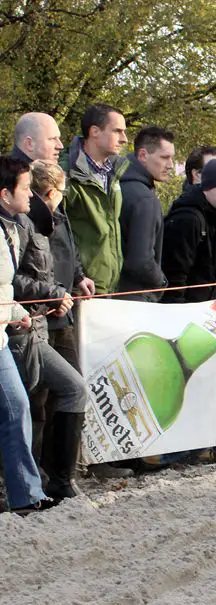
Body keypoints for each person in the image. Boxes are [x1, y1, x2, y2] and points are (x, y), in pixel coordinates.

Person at [12, 161, 89, 501]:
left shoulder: (43, 221)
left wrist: (59, 289)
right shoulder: (22, 223)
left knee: (59, 393)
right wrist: (53, 293)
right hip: (21, 330)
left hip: (38, 322)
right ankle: (41, 483)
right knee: (34, 404)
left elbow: (45, 270)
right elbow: (13, 280)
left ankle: (54, 480)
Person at [0, 155, 54, 513]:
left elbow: (4, 288)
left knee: (16, 406)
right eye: (24, 189)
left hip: (0, 338)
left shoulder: (14, 228)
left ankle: (26, 495)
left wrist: (17, 313)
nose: (32, 196)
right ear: (5, 194)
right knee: (15, 407)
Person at [63, 103, 130, 295]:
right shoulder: (66, 174)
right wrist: (78, 276)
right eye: (117, 131)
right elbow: (56, 234)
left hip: (109, 287)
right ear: (94, 131)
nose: (124, 139)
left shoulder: (115, 173)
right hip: (80, 290)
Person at [162, 159, 216, 302]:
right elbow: (175, 273)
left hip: (205, 304)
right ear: (206, 188)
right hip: (185, 307)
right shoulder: (188, 219)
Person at [118, 126, 174, 301]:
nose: (170, 165)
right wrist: (162, 282)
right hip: (134, 297)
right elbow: (141, 261)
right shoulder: (144, 198)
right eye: (165, 157)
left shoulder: (116, 183)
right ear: (142, 155)